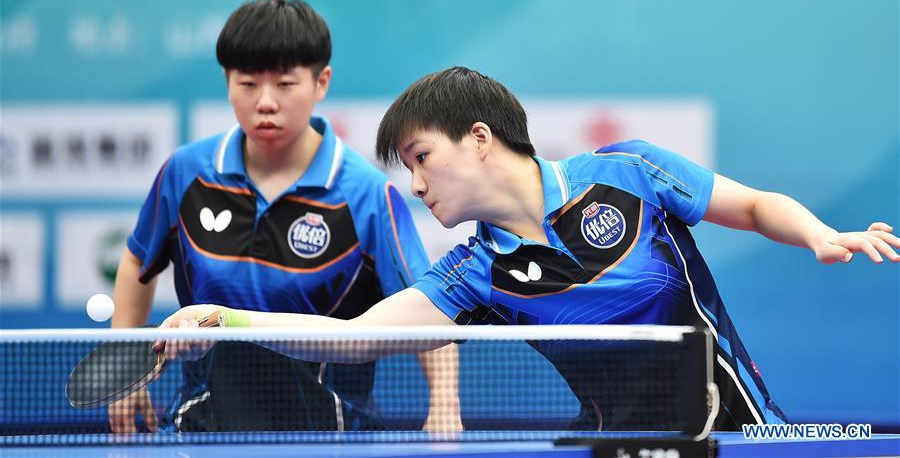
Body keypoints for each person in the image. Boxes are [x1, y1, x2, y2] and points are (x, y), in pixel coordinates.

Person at [162, 66, 899, 431]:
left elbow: (754, 204)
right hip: (611, 445)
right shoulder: (475, 272)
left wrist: (819, 234)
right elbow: (358, 338)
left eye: (420, 157)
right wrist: (226, 321)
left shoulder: (628, 173)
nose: (415, 183)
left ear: (479, 139)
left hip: (728, 430)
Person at [110, 0, 460, 434]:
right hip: (205, 427)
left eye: (285, 84)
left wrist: (444, 404)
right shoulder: (186, 173)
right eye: (248, 83)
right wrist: (125, 367)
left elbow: (427, 305)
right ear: (227, 81)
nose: (266, 102)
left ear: (321, 82)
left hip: (330, 433)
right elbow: (136, 262)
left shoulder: (366, 195)